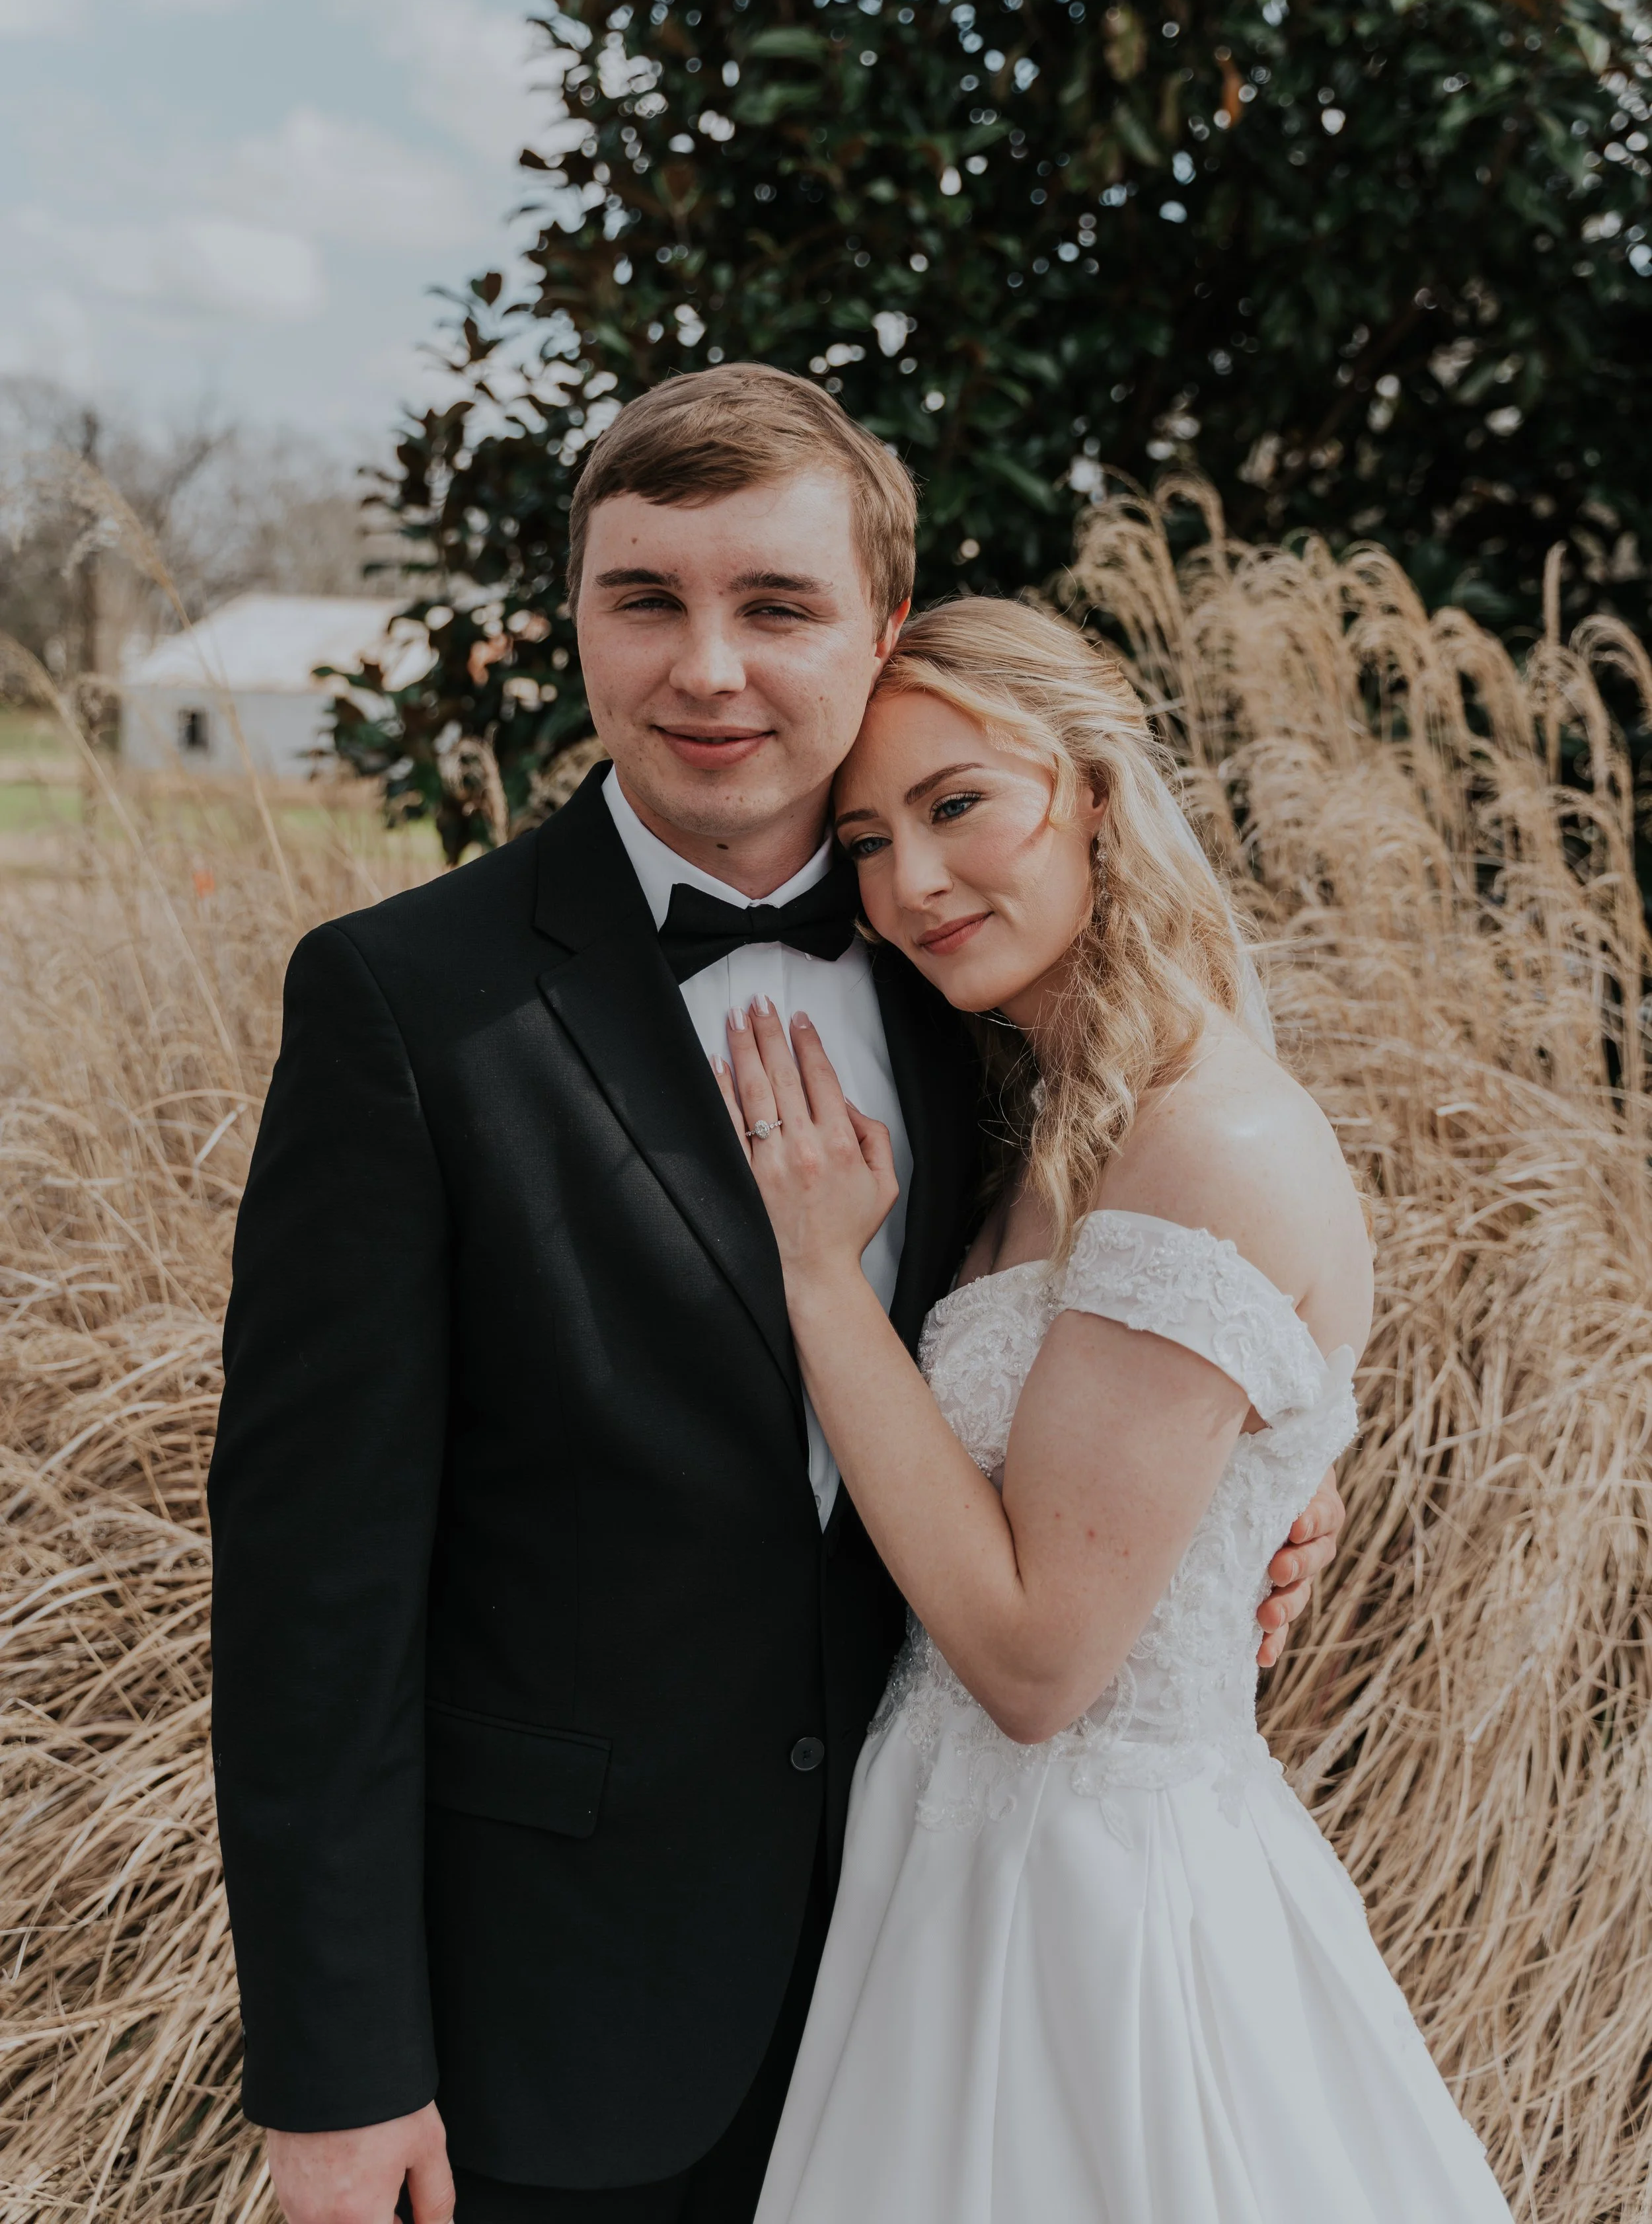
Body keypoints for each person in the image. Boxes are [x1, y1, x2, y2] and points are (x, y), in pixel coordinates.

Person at [208, 366, 1341, 2224]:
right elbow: (312, 1585)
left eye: (778, 604)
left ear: (880, 627)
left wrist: (1263, 1484)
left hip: (949, 1968)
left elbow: (1150, 1317)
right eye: (644, 598)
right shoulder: (403, 1005)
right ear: (573, 615)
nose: (707, 669)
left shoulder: (978, 976)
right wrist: (339, 2065)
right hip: (559, 2017)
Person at [712, 596, 1516, 2224]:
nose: (910, 886)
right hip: (937, 1877)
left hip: (1088, 1922)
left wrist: (817, 1276)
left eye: (957, 806)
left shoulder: (1204, 1145)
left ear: (1087, 788)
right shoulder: (1056, 1118)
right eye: (863, 842)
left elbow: (1033, 1663)